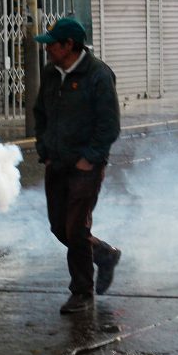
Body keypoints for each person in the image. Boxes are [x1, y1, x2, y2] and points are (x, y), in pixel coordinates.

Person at [33, 17, 122, 315]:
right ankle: (104, 255)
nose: (47, 50)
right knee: (60, 228)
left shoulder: (98, 75)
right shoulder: (50, 73)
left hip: (85, 166)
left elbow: (109, 125)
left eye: (52, 45)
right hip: (56, 161)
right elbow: (40, 113)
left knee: (76, 227)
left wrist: (91, 158)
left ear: (68, 45)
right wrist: (43, 149)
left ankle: (82, 291)